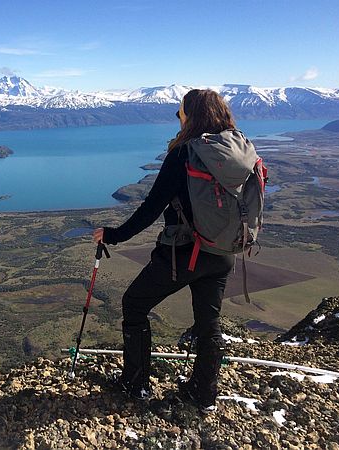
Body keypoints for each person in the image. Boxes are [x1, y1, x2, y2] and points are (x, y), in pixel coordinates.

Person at [93, 89, 241, 413]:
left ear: (192, 116)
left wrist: (114, 235)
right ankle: (204, 396)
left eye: (179, 113)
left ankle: (136, 384)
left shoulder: (183, 154)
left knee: (134, 304)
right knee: (209, 323)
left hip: (184, 255)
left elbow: (150, 208)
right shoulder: (233, 152)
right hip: (223, 253)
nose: (178, 118)